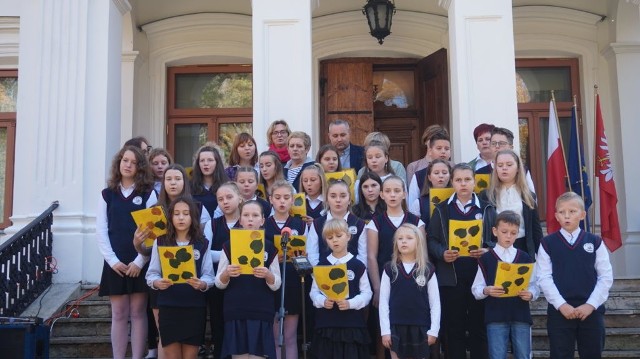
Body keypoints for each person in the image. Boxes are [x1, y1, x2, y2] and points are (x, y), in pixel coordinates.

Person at [132, 163, 209, 359]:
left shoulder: (199, 208)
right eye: (168, 179)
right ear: (162, 183)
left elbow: (204, 244)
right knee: (165, 339)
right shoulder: (154, 211)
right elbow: (149, 252)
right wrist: (137, 244)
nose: (173, 183)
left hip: (192, 295)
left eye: (178, 178)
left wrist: (203, 282)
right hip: (166, 291)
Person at [427, 163, 497, 359]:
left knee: (478, 326)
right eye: (458, 180)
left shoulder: (487, 208)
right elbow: (431, 239)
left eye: (467, 179)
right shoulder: (441, 209)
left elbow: (497, 239)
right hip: (451, 276)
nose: (463, 184)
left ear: (475, 182)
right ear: (452, 182)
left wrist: (487, 249)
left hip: (480, 275)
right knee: (454, 328)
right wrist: (442, 253)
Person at [96, 145, 157, 359]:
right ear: (119, 163)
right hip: (115, 263)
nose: (128, 165)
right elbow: (101, 230)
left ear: (140, 167)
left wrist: (140, 261)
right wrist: (112, 261)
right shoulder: (107, 195)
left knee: (138, 313)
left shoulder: (148, 195)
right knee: (119, 313)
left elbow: (153, 233)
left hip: (139, 262)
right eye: (125, 160)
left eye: (133, 162)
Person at [536, 192, 613, 359]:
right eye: (562, 212)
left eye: (572, 211)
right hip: (560, 311)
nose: (567, 216)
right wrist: (561, 305)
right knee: (560, 354)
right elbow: (544, 278)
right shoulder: (547, 244)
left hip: (591, 310)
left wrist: (590, 305)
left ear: (582, 214)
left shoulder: (595, 242)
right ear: (556, 216)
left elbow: (605, 277)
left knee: (592, 353)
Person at [146, 197, 215, 359]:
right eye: (177, 214)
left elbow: (209, 275)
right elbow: (151, 273)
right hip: (169, 306)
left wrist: (202, 283)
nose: (181, 217)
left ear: (193, 217)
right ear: (170, 217)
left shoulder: (202, 243)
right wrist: (157, 282)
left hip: (194, 307)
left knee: (190, 356)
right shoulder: (161, 241)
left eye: (186, 213)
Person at [366, 176, 424, 359]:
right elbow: (371, 257)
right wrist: (376, 288)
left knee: (414, 328)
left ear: (405, 194)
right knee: (383, 330)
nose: (393, 195)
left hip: (412, 284)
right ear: (381, 194)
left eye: (397, 191)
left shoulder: (417, 222)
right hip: (386, 283)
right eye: (388, 191)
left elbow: (423, 256)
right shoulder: (376, 222)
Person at [215, 200, 282, 359]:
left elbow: (277, 283)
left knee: (258, 355)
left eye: (255, 215)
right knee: (239, 356)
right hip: (236, 310)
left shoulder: (270, 247)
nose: (250, 219)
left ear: (262, 220)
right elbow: (219, 282)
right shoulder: (228, 246)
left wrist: (268, 275)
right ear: (240, 219)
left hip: (261, 310)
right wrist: (227, 273)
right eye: (246, 215)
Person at [471, 210, 538, 359]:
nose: (508, 236)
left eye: (513, 233)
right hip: (495, 316)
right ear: (495, 231)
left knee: (524, 355)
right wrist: (487, 290)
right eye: (504, 231)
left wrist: (531, 293)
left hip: (520, 314)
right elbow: (476, 289)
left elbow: (534, 285)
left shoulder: (525, 257)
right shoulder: (486, 258)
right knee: (497, 355)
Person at [309, 218, 372, 358]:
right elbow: (314, 292)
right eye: (330, 237)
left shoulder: (358, 265)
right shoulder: (321, 265)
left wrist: (351, 303)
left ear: (348, 236)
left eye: (339, 236)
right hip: (326, 325)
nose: (335, 240)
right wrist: (322, 301)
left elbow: (367, 293)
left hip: (352, 325)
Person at [379, 223, 441, 359]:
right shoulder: (389, 269)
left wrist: (434, 330)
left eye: (409, 238)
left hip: (421, 326)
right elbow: (383, 302)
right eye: (400, 238)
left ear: (418, 242)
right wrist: (385, 331)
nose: (404, 241)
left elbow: (435, 303)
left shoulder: (428, 269)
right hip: (395, 326)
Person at [264, 180, 307, 359]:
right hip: (269, 284)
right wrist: (274, 259)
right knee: (274, 337)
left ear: (292, 200)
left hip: (293, 282)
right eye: (278, 197)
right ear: (270, 199)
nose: (282, 201)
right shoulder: (263, 224)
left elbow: (309, 256)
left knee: (289, 337)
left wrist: (297, 258)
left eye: (286, 197)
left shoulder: (301, 224)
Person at [203, 182, 244, 359]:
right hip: (218, 283)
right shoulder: (212, 224)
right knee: (218, 324)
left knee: (238, 325)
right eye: (220, 199)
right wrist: (231, 256)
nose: (225, 202)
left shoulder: (248, 222)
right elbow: (205, 253)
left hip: (243, 283)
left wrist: (222, 255)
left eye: (229, 197)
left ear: (240, 198)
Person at [479, 149, 542, 259]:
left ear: (518, 168)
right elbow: (483, 226)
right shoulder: (486, 195)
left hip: (522, 249)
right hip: (495, 249)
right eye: (500, 165)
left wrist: (542, 256)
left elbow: (535, 229)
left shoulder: (528, 196)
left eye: (509, 165)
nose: (504, 168)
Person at [306, 179, 367, 266]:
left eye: (343, 196)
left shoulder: (359, 224)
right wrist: (320, 272)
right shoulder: (317, 224)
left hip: (352, 275)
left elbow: (363, 256)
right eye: (333, 196)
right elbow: (312, 254)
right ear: (327, 199)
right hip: (323, 274)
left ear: (349, 199)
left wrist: (354, 272)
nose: (338, 200)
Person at [477, 127, 536, 194]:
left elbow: (531, 198)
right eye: (493, 143)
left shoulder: (521, 170)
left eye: (501, 143)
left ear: (511, 147)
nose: (497, 146)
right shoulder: (480, 173)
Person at [407, 129, 452, 207]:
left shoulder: (456, 173)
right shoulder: (419, 176)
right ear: (430, 151)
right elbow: (412, 203)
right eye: (439, 148)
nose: (443, 151)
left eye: (447, 149)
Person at [409, 159, 452, 228]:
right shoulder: (419, 203)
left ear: (450, 176)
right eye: (436, 173)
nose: (441, 176)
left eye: (444, 173)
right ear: (429, 177)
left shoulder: (456, 200)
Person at [190, 145, 230, 219]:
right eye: (202, 160)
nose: (206, 163)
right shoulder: (190, 186)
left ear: (217, 163)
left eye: (210, 160)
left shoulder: (227, 185)